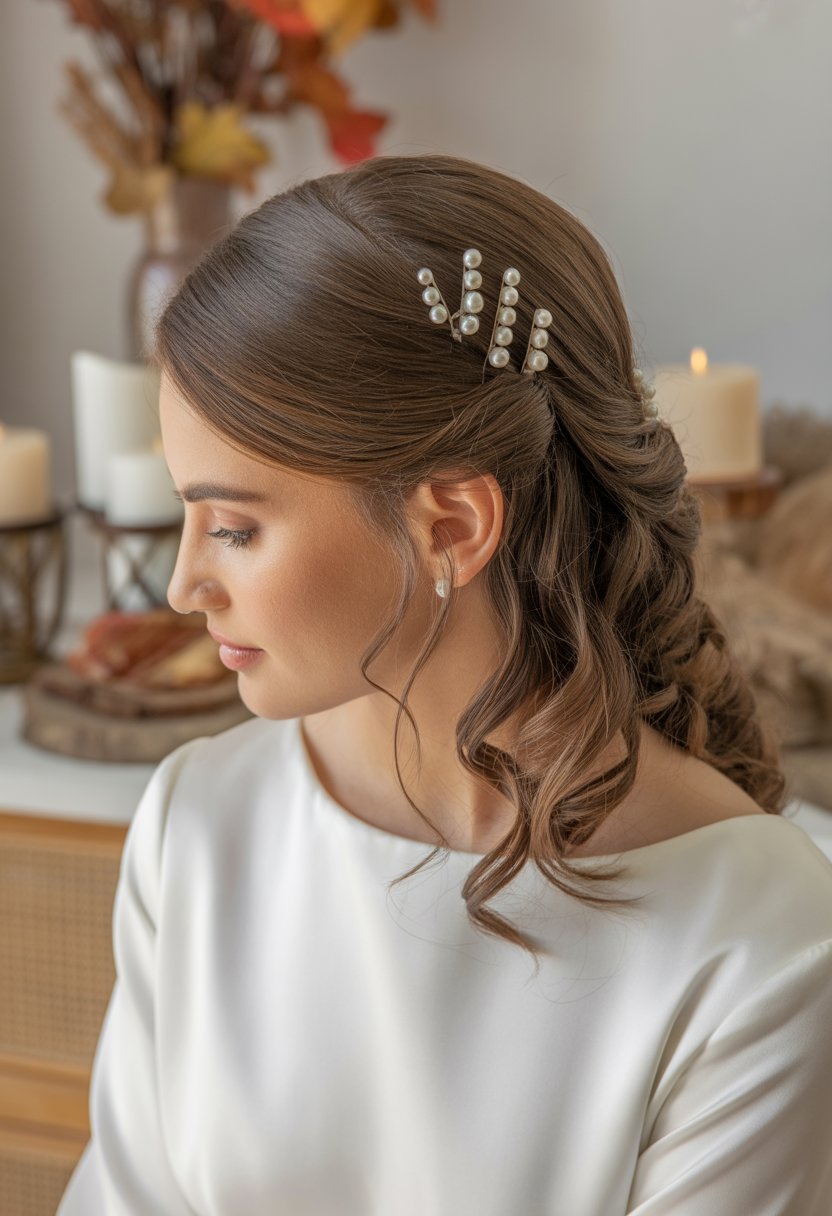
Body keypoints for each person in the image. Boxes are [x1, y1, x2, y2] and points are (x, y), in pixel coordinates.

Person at [56, 153, 832, 1216]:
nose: (184, 583)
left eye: (232, 526)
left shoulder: (763, 942)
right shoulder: (201, 822)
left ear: (453, 525)